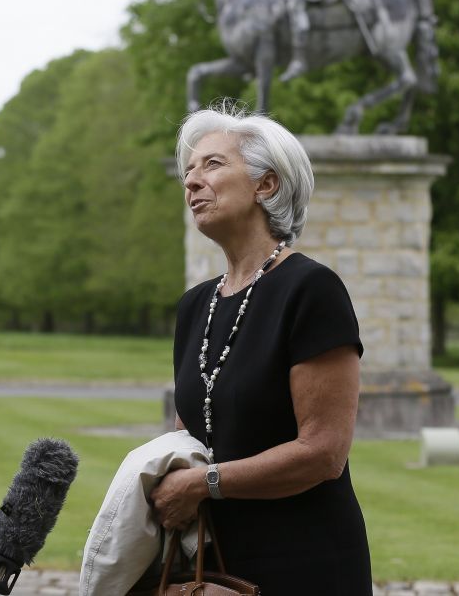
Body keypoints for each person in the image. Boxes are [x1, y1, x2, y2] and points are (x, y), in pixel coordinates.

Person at [150, 103, 371, 595]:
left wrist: (201, 484)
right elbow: (194, 435)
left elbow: (323, 453)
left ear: (265, 185)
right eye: (188, 170)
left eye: (212, 164)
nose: (191, 181)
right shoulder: (195, 306)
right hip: (216, 560)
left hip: (306, 561)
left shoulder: (310, 290)